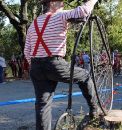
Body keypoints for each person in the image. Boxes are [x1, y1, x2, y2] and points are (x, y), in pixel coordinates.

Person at [24, 0, 101, 129]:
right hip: (54, 64)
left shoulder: (34, 23)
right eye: (61, 1)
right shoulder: (60, 15)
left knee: (43, 105)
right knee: (85, 76)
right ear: (53, 3)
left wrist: (37, 65)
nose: (63, 4)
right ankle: (94, 109)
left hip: (36, 66)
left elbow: (27, 51)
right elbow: (83, 11)